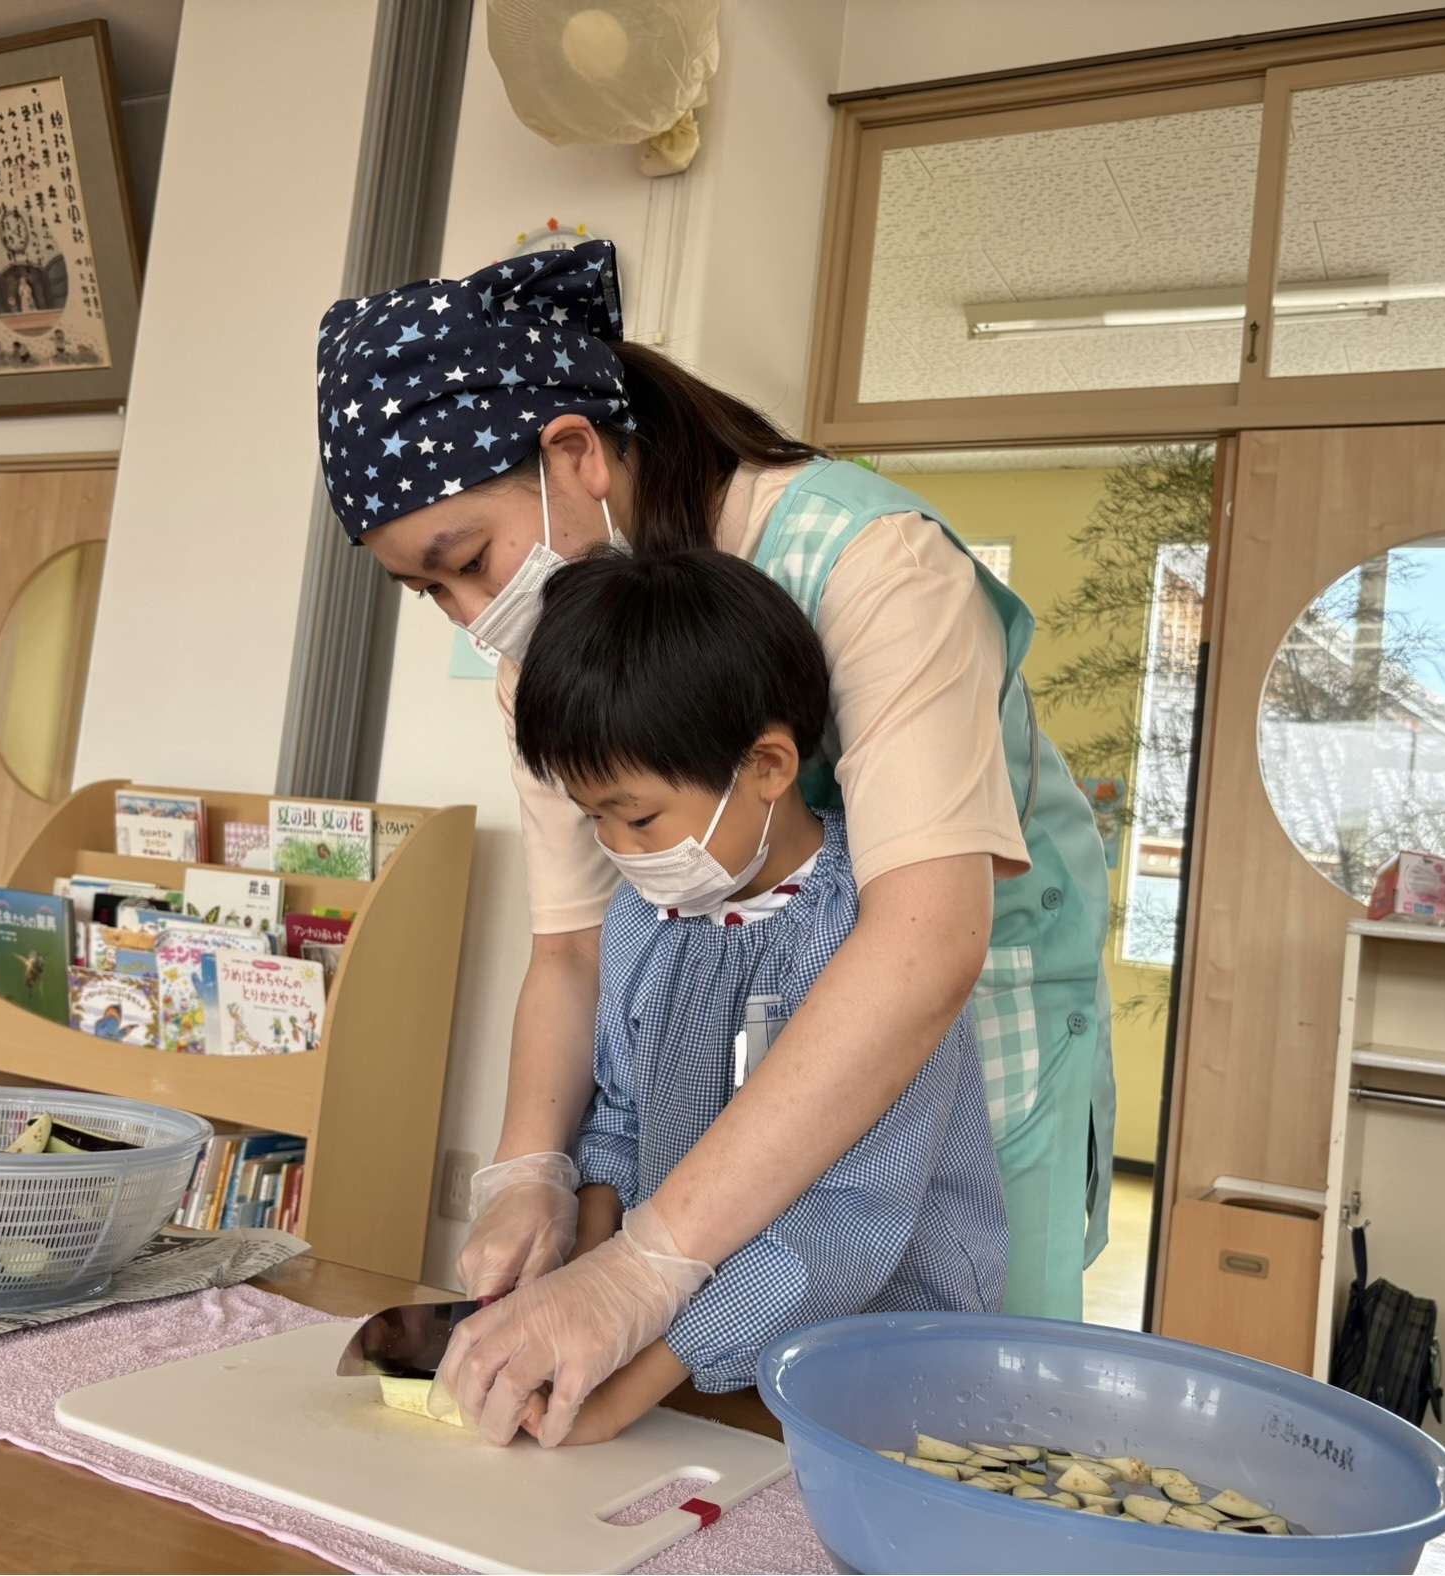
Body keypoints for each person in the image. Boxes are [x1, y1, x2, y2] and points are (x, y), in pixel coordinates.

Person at [316, 239, 1112, 1444]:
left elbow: (922, 944)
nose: (476, 621)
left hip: (961, 1024)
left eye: (468, 563)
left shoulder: (869, 565)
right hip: (739, 1084)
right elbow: (574, 949)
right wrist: (530, 1171)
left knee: (954, 1427)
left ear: (575, 454)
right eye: (432, 593)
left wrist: (648, 1267)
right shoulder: (553, 660)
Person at [435, 547, 1008, 1445]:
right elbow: (620, 1116)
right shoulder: (644, 921)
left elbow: (843, 1225)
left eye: (638, 817)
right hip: (685, 1357)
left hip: (878, 1369)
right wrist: (577, 1283)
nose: (617, 850)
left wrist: (624, 1383)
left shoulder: (873, 944)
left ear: (768, 765)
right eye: (593, 819)